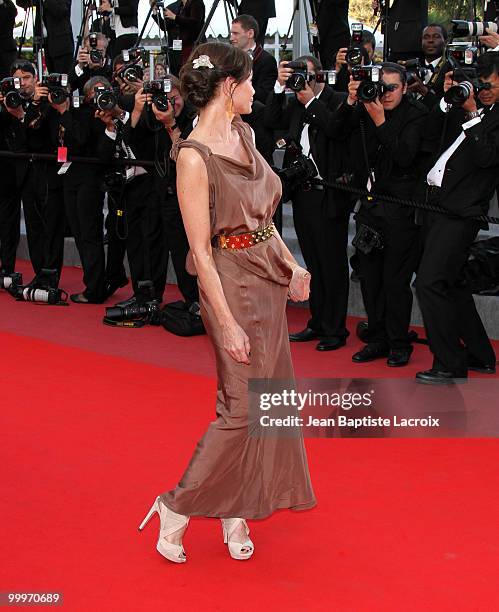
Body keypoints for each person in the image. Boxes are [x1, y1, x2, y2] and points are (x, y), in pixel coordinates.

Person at [138, 42, 316, 563]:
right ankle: (176, 505)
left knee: (271, 405)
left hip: (266, 278)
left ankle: (237, 510)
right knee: (242, 409)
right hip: (229, 284)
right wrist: (224, 321)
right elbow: (200, 250)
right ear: (226, 87)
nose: (257, 90)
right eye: (250, 82)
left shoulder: (245, 132)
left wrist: (291, 265)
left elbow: (262, 218)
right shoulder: (193, 157)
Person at [415, 52, 499, 383]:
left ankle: (449, 362)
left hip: (461, 213)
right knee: (453, 283)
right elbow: (430, 135)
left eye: (489, 83)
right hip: (437, 207)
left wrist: (474, 114)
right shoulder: (470, 110)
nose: (484, 89)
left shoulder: (486, 116)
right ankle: (480, 354)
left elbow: (487, 158)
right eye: (480, 83)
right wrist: (446, 101)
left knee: (429, 282)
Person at [338, 63, 428, 367]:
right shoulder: (366, 106)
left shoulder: (416, 115)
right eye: (382, 87)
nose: (385, 94)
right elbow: (337, 132)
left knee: (395, 281)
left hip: (401, 212)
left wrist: (379, 121)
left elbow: (405, 157)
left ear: (404, 87)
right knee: (370, 279)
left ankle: (399, 343)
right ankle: (377, 339)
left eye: (392, 88)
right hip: (369, 209)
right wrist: (352, 101)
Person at [265, 56, 352, 352]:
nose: (300, 80)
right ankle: (317, 321)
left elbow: (337, 131)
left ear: (320, 76)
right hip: (302, 192)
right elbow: (270, 121)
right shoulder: (293, 105)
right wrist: (279, 86)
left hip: (328, 194)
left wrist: (312, 101)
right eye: (296, 75)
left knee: (332, 265)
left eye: (305, 74)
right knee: (313, 262)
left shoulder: (336, 99)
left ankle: (335, 329)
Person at [229, 14, 277, 104]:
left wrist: (236, 85)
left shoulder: (267, 60)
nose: (231, 38)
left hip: (252, 115)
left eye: (235, 33)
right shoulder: (229, 58)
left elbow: (265, 96)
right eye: (231, 33)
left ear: (250, 33)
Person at [17, 0, 74, 74]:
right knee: (50, 79)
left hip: (62, 44)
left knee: (61, 78)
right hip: (46, 43)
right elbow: (22, 3)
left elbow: (60, 10)